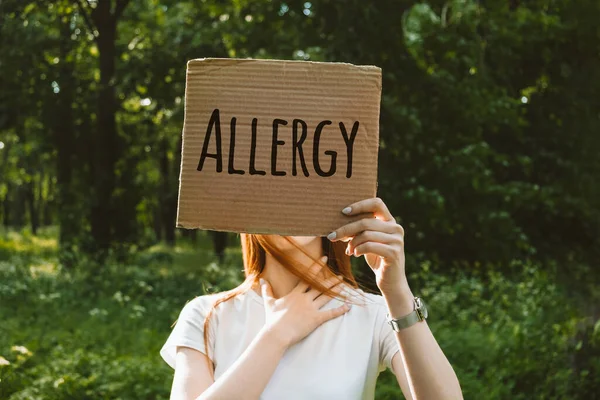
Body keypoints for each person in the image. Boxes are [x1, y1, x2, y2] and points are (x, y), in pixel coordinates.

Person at [160, 197, 463, 400]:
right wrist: (276, 336)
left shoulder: (375, 314)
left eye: (303, 190)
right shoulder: (206, 315)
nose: (291, 204)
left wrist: (397, 290)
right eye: (275, 192)